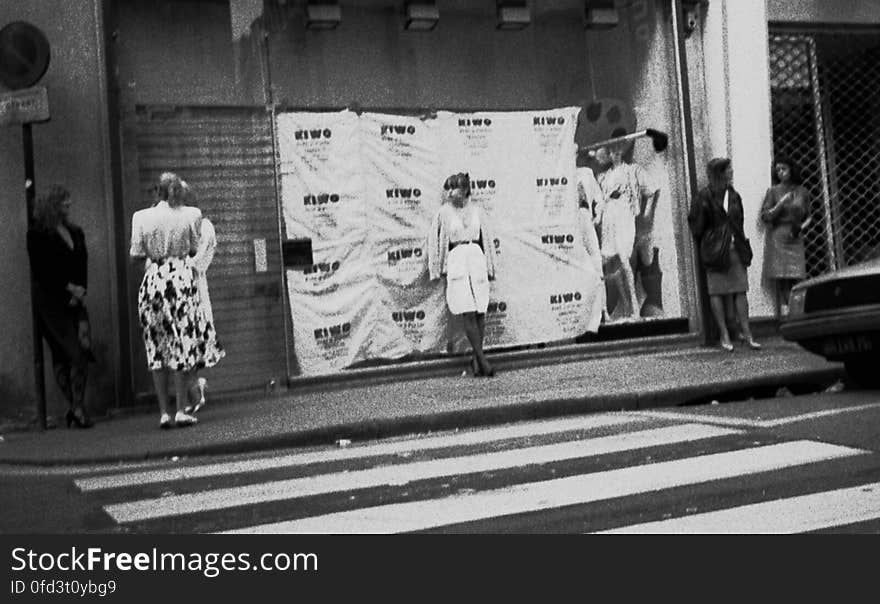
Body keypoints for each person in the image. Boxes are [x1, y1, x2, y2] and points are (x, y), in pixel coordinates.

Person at [130, 172, 224, 429]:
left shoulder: (141, 217)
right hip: (181, 280)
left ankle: (164, 412)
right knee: (182, 344)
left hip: (154, 281)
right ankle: (181, 409)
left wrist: (153, 262)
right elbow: (194, 247)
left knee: (157, 347)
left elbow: (136, 254)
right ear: (178, 191)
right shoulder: (192, 215)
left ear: (157, 191)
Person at [26, 185, 95, 429]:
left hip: (76, 301)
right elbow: (42, 270)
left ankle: (75, 409)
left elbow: (83, 263)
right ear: (52, 205)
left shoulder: (75, 231)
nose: (69, 205)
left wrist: (81, 290)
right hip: (52, 304)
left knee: (83, 350)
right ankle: (77, 408)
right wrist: (68, 288)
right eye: (64, 202)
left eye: (69, 201)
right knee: (65, 354)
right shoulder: (37, 234)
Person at [427, 172, 498, 377]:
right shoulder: (444, 213)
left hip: (476, 258)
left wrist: (490, 267)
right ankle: (483, 360)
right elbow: (435, 240)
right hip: (457, 260)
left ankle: (476, 359)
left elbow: (487, 239)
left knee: (480, 310)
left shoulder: (477, 211)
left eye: (454, 188)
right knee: (467, 310)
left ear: (466, 189)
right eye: (447, 189)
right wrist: (437, 268)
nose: (450, 193)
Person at [688, 158, 760, 352]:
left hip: (735, 247)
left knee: (740, 289)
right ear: (720, 172)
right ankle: (724, 334)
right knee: (717, 291)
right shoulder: (704, 196)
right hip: (715, 250)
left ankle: (747, 332)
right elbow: (696, 225)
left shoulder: (734, 195)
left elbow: (740, 219)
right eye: (728, 169)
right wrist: (710, 241)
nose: (732, 172)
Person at [596, 142, 657, 320]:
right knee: (611, 262)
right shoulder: (604, 176)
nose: (615, 154)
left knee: (624, 258)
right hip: (609, 217)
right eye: (611, 152)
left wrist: (646, 213)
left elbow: (651, 190)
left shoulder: (631, 171)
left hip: (623, 214)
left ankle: (635, 308)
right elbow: (601, 200)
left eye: (617, 151)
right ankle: (626, 306)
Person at [180, 180, 219, 415]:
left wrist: (175, 262)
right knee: (180, 342)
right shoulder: (171, 227)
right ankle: (193, 389)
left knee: (191, 341)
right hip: (174, 295)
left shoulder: (204, 227)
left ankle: (194, 389)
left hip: (194, 293)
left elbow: (200, 261)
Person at [761, 156, 811, 316]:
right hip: (779, 237)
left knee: (799, 277)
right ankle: (786, 313)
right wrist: (781, 203)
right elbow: (766, 216)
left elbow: (809, 216)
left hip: (795, 235)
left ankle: (801, 311)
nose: (781, 173)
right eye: (778, 170)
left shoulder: (802, 191)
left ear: (791, 170)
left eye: (784, 169)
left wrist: (801, 227)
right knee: (782, 279)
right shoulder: (773, 191)